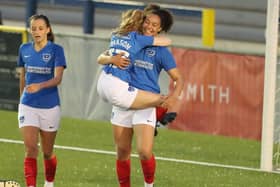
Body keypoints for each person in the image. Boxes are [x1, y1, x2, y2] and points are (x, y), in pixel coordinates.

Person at [97, 4, 184, 187]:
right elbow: (102, 57)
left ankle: (149, 185)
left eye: (154, 25)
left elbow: (178, 78)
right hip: (124, 98)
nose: (149, 26)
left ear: (160, 29)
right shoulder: (130, 40)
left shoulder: (160, 51)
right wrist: (111, 59)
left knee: (144, 151)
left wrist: (175, 96)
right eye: (147, 21)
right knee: (122, 152)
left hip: (144, 103)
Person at [17, 14, 67, 187]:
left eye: (40, 28)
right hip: (27, 105)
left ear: (48, 30)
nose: (36, 31)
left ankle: (49, 182)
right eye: (33, 28)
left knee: (47, 152)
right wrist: (21, 99)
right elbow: (23, 76)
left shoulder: (56, 50)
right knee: (31, 148)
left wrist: (40, 86)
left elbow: (57, 78)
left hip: (50, 106)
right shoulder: (24, 49)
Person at [97, 9, 172, 110]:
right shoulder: (137, 38)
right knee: (160, 99)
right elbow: (167, 41)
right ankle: (161, 117)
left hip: (102, 82)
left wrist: (112, 59)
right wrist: (150, 40)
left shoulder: (115, 34)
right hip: (117, 86)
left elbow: (100, 59)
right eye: (145, 22)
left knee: (146, 103)